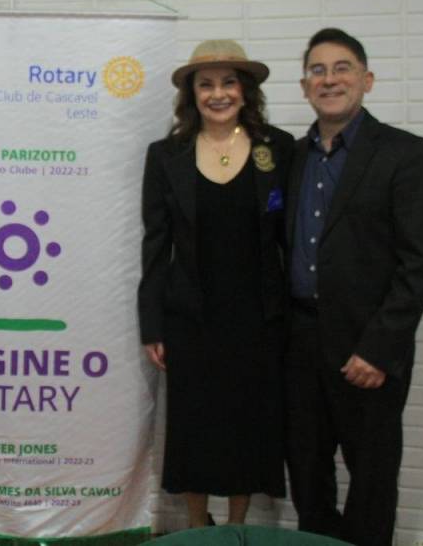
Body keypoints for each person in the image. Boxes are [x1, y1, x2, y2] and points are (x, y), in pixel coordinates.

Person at [285, 28, 423, 545]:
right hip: (299, 344)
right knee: (307, 476)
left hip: (366, 349)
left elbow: (418, 261)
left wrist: (379, 349)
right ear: (305, 86)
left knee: (371, 481)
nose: (329, 79)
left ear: (366, 80)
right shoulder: (291, 157)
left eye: (342, 68)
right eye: (317, 70)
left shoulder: (405, 153)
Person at [138, 40, 293, 527]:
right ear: (192, 95)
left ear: (245, 91)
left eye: (228, 82)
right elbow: (156, 244)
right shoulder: (167, 155)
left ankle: (237, 526)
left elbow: (290, 238)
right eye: (206, 85)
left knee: (248, 425)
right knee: (194, 427)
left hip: (258, 319)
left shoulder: (278, 149)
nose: (218, 93)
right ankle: (196, 527)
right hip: (191, 318)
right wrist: (152, 324)